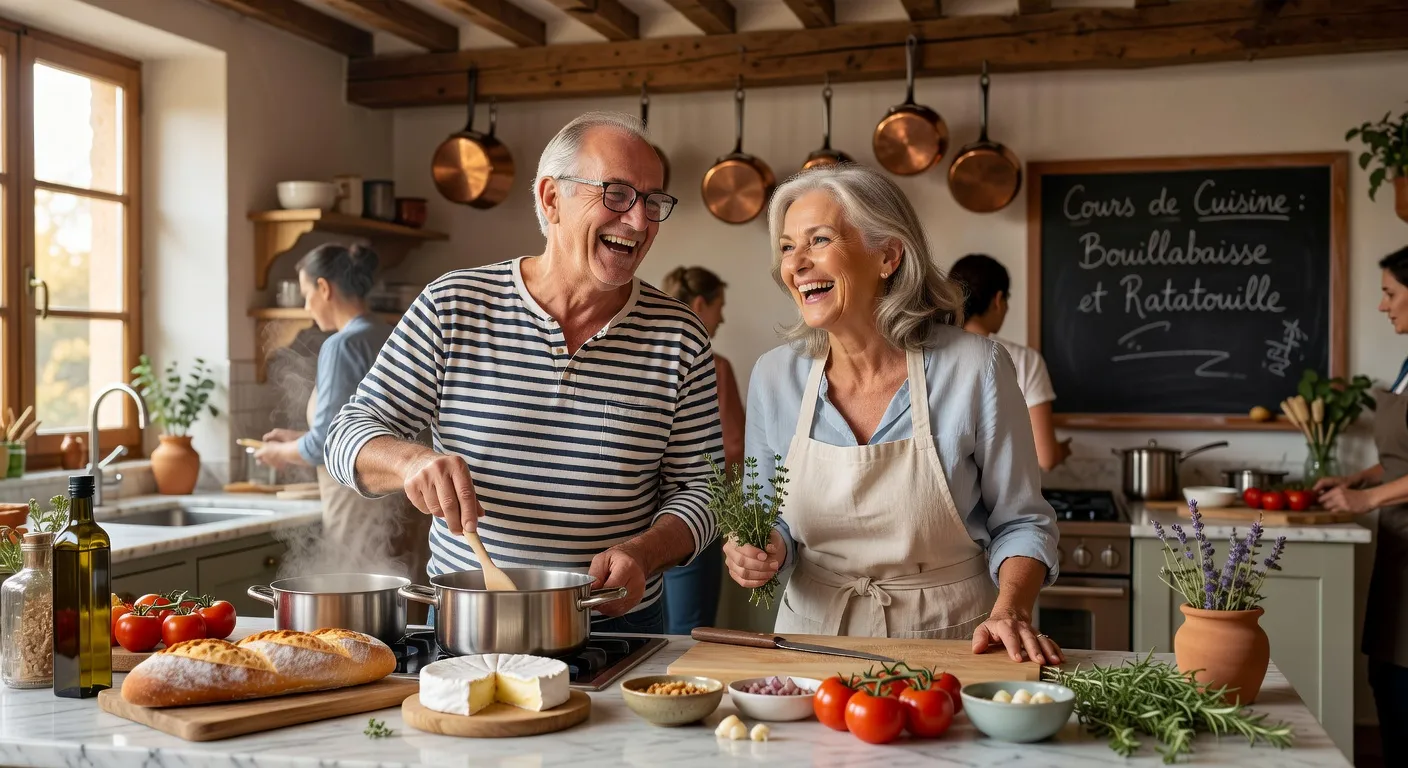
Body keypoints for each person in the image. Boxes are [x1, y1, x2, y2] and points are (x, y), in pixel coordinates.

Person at [324, 112, 722, 635]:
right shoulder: (454, 304)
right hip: (470, 618)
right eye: (619, 194)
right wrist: (409, 461)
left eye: (652, 202)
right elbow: (345, 436)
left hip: (614, 625)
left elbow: (703, 491)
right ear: (552, 198)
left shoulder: (680, 336)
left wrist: (644, 552)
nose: (640, 221)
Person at [723, 165, 1062, 664]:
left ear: (888, 255)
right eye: (787, 247)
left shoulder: (976, 368)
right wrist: (760, 549)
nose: (796, 263)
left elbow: (1023, 523)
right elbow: (771, 519)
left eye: (819, 240)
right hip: (812, 641)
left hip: (950, 641)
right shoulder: (775, 376)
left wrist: (1011, 609)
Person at [254, 244, 431, 596]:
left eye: (307, 295)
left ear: (324, 288)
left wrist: (282, 452)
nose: (307, 307)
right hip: (404, 497)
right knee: (400, 597)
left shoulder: (341, 345)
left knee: (357, 601)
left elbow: (325, 444)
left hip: (355, 498)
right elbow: (355, 425)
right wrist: (297, 436)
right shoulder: (391, 333)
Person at [1315, 245, 1408, 765]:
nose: (1382, 306)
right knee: (1386, 674)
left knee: (1400, 683)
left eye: (1390, 292)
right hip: (1398, 544)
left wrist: (1367, 497)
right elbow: (1402, 456)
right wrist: (1358, 476)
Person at [659, 266, 742, 634]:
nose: (721, 317)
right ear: (698, 304)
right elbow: (735, 447)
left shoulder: (647, 363)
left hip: (631, 530)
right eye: (718, 306)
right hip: (690, 522)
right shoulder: (714, 367)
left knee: (647, 633)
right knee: (689, 635)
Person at [949, 253, 1070, 472]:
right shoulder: (1025, 360)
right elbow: (1046, 458)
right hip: (1006, 503)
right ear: (998, 300)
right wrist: (1064, 450)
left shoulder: (929, 354)